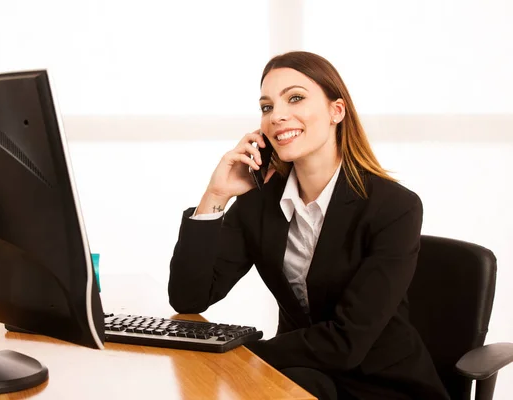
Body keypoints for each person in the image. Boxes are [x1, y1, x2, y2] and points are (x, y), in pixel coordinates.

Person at [167, 51, 450, 400]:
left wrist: (246, 355)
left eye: (296, 98)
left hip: (383, 385)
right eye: (267, 107)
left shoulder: (393, 207)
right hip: (304, 378)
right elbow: (189, 297)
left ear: (337, 111)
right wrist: (216, 195)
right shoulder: (258, 201)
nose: (277, 116)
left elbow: (347, 342)